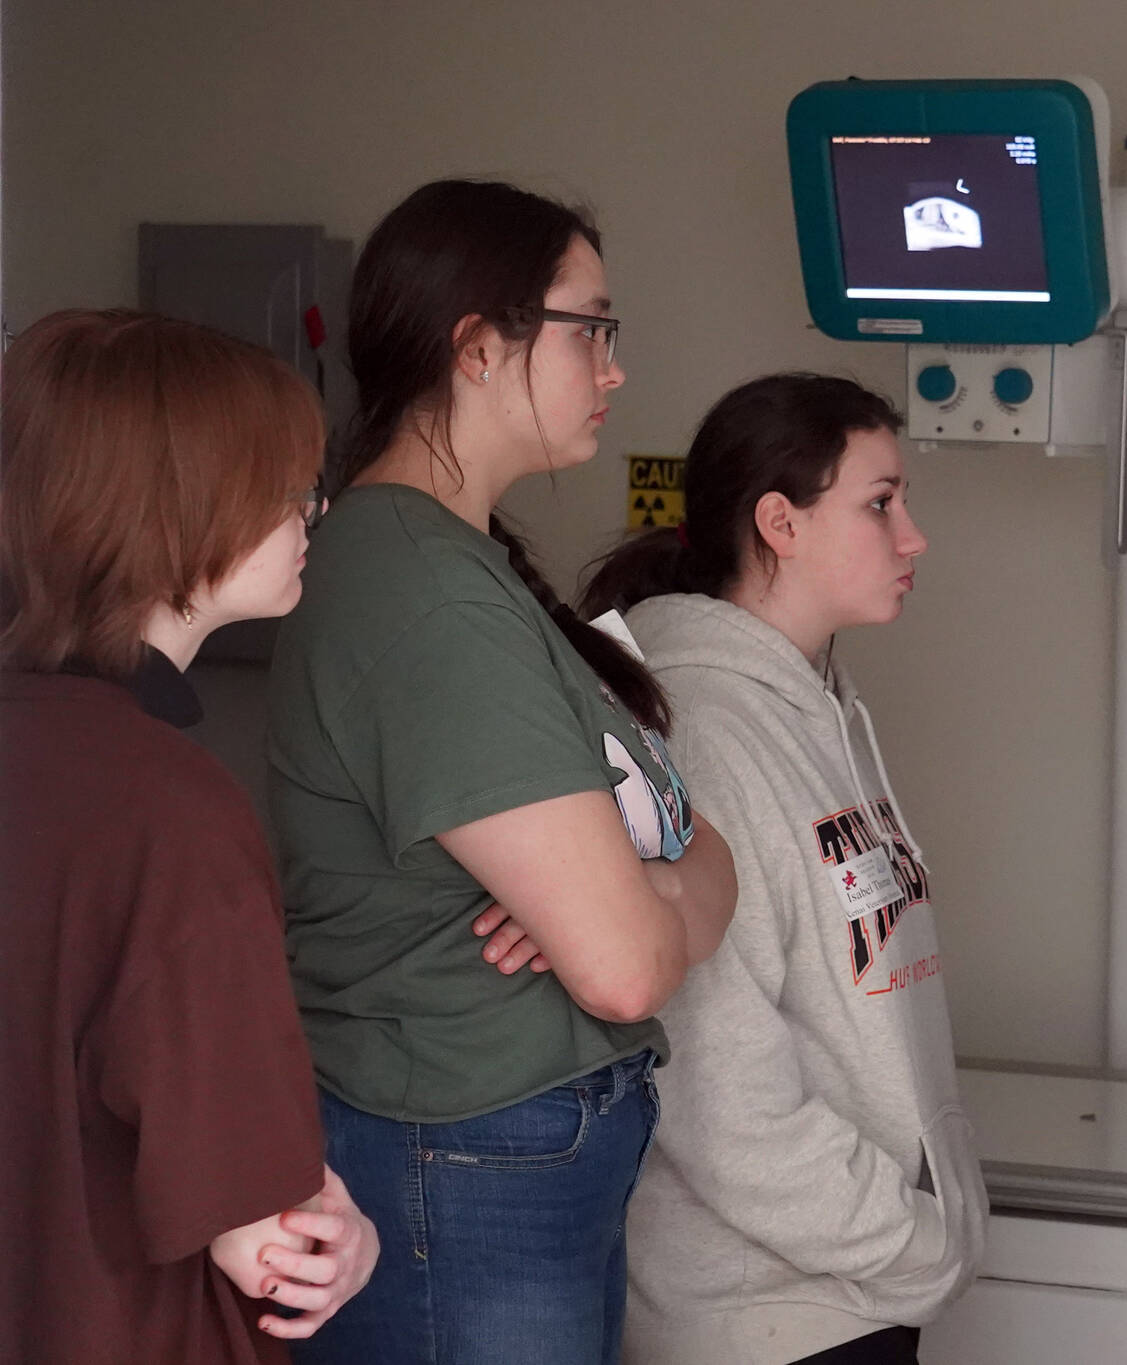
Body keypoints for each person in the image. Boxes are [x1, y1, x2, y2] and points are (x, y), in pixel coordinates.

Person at [266, 180, 737, 1363]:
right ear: (478, 346)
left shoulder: (462, 565)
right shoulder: (423, 593)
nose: (615, 369)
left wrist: (654, 885)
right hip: (463, 1161)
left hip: (500, 1154)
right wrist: (649, 896)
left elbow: (697, 848)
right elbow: (627, 967)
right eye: (594, 328)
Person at [578, 374, 987, 1365]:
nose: (911, 536)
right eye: (879, 503)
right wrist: (905, 1241)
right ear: (779, 523)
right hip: (763, 1316)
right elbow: (713, 1078)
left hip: (838, 1299)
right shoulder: (703, 729)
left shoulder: (817, 708)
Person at [0, 310, 379, 1363]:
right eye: (282, 480)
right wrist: (354, 1235)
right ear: (175, 508)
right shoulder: (166, 808)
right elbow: (267, 1242)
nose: (314, 507)